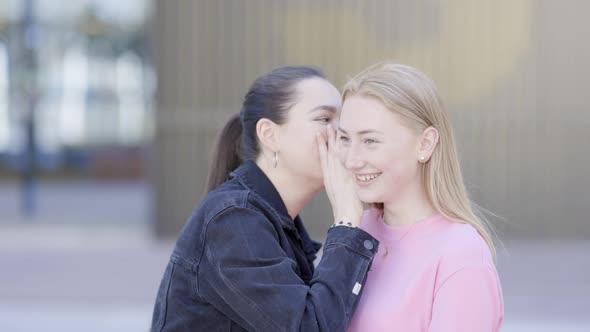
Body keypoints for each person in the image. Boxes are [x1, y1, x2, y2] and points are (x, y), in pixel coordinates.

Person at [151, 66, 379, 332]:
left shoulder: (265, 219)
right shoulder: (234, 219)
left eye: (342, 121)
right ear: (270, 135)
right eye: (325, 119)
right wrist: (347, 224)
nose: (339, 133)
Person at [336, 63, 504, 331]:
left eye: (370, 141)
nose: (352, 160)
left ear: (425, 143)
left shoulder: (460, 256)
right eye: (344, 138)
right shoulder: (354, 228)